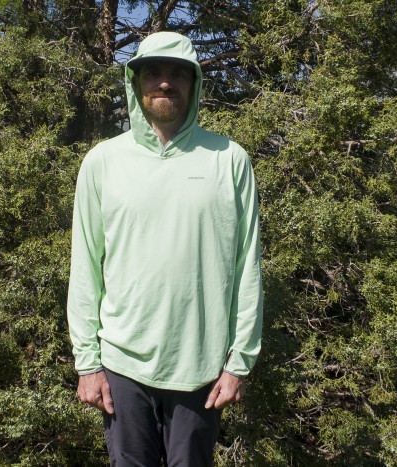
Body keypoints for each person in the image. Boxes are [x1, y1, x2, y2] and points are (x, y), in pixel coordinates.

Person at [67, 31, 263, 466]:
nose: (164, 82)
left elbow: (247, 265)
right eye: (153, 72)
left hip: (201, 367)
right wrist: (87, 364)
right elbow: (86, 268)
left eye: (178, 73)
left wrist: (239, 363)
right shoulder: (103, 161)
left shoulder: (228, 159)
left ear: (194, 84)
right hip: (122, 364)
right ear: (135, 82)